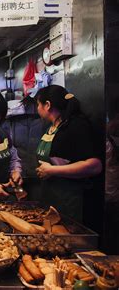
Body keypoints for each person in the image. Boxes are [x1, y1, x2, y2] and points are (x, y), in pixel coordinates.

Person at [35, 85, 102, 221]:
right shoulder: (52, 127)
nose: (37, 109)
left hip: (70, 199)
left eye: (38, 104)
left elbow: (95, 165)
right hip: (51, 196)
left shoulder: (75, 125)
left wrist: (53, 170)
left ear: (47, 105)